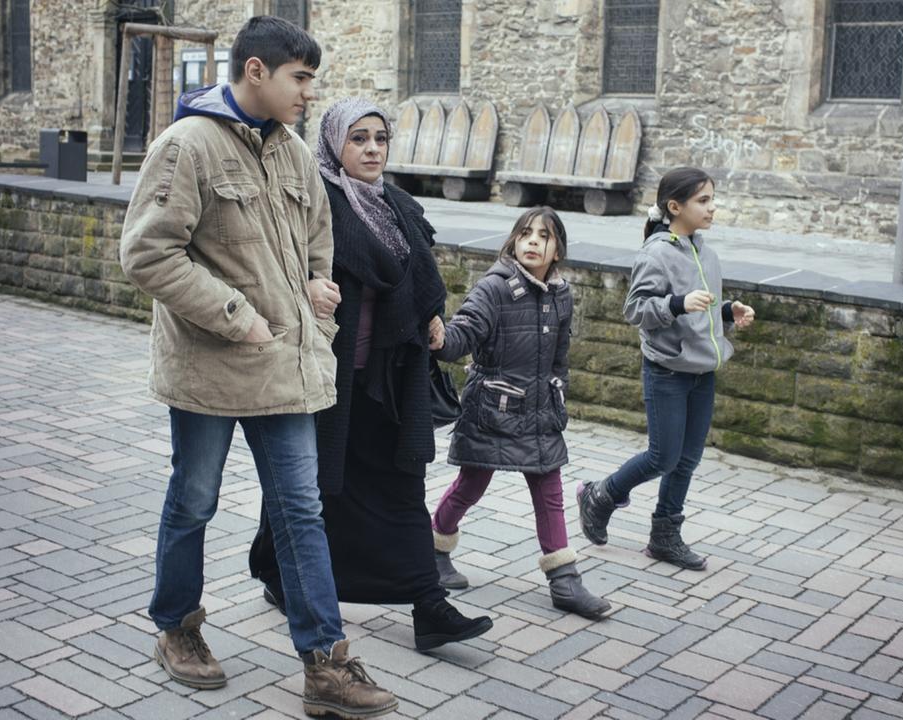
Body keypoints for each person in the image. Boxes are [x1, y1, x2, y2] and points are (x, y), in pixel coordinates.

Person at [119, 17, 397, 718]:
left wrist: (319, 304)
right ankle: (175, 625)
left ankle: (325, 663)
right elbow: (148, 254)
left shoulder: (297, 154)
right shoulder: (187, 146)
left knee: (301, 509)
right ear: (255, 72)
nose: (308, 93)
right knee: (195, 499)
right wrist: (235, 316)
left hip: (284, 367)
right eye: (299, 79)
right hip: (212, 367)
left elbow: (318, 248)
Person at [248, 98, 494, 653]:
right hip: (323, 376)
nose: (372, 149)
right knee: (312, 488)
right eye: (358, 139)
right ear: (335, 143)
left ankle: (428, 606)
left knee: (404, 485)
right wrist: (308, 288)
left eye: (380, 139)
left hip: (390, 376)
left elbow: (422, 276)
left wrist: (431, 313)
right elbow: (276, 269)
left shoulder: (399, 206)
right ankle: (273, 567)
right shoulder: (314, 201)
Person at [427, 207, 612, 620]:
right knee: (471, 484)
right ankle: (434, 547)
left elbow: (560, 358)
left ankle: (564, 580)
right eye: (525, 233)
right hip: (493, 408)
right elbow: (464, 333)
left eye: (543, 236)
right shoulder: (494, 288)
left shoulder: (561, 295)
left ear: (557, 250)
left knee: (550, 490)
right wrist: (441, 337)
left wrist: (558, 392)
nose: (532, 241)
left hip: (541, 410)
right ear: (513, 240)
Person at [578, 167, 756, 571]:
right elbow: (635, 309)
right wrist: (676, 303)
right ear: (675, 207)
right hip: (667, 371)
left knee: (688, 458)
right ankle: (601, 494)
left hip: (703, 371)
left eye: (712, 199)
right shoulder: (656, 252)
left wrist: (730, 311)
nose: (713, 207)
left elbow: (702, 309)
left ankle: (664, 535)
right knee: (663, 455)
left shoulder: (705, 252)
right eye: (703, 201)